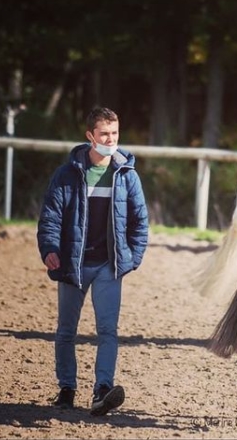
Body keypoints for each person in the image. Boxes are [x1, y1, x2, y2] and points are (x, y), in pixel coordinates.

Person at [37, 107, 149, 415]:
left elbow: (140, 222)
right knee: (65, 331)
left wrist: (132, 259)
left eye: (114, 134)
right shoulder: (67, 174)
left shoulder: (127, 175)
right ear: (90, 136)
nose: (110, 140)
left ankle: (102, 389)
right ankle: (66, 388)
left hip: (108, 267)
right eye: (104, 134)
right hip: (73, 264)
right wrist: (49, 247)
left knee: (108, 330)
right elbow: (50, 217)